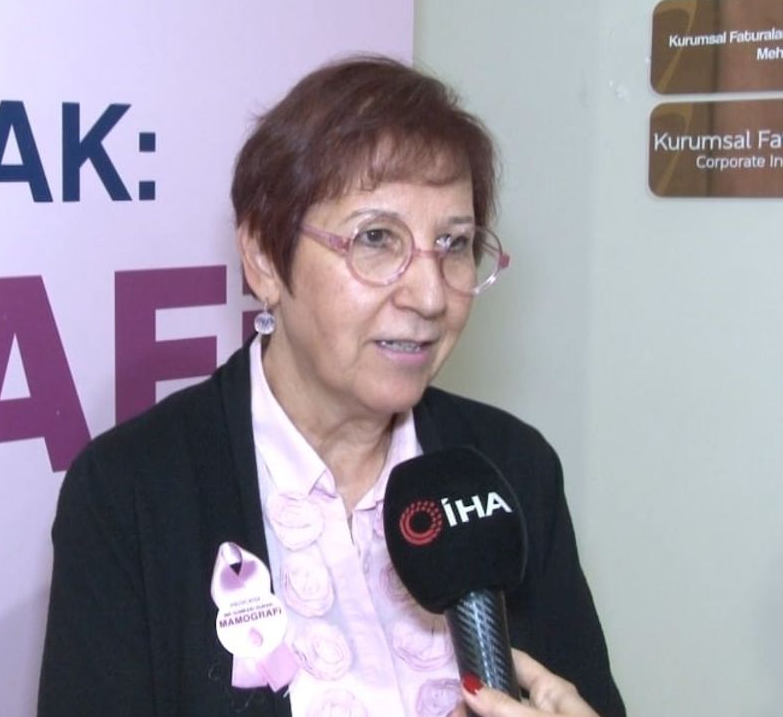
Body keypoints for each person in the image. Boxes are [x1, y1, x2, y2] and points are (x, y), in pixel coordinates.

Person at [38, 55, 624, 717]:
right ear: (264, 258)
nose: (430, 295)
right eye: (376, 239)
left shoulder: (514, 468)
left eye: (454, 245)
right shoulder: (130, 493)